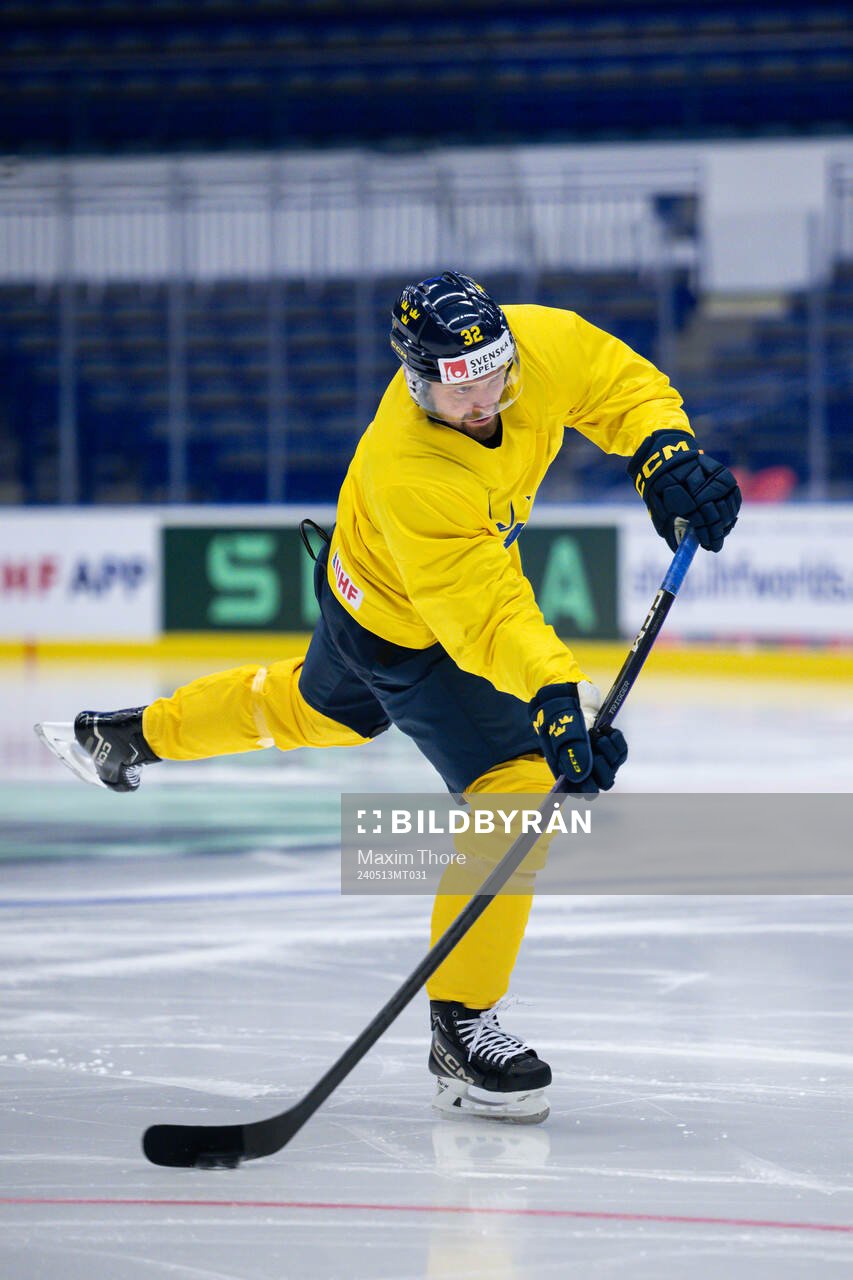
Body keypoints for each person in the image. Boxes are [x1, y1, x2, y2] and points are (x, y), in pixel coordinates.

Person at [37, 271, 741, 1124]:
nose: (483, 399)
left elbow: (616, 385)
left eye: (495, 374)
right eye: (460, 385)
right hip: (404, 623)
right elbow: (482, 613)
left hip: (366, 587)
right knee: (517, 785)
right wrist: (556, 698)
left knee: (311, 710)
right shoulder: (411, 466)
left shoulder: (531, 345)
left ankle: (129, 736)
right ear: (417, 382)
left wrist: (661, 451)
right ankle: (461, 1025)